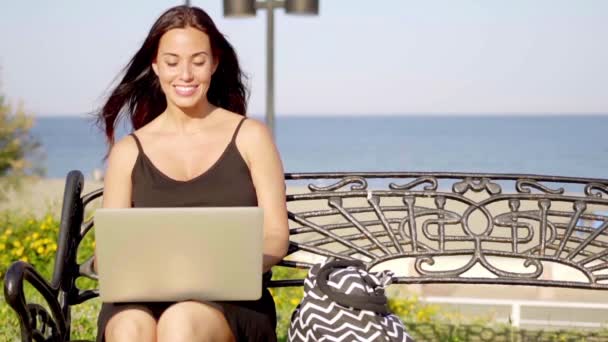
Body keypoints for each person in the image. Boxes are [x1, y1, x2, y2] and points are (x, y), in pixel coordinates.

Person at [94, 5, 289, 342]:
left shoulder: (251, 137)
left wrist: (228, 270)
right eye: (172, 62)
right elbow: (109, 250)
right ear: (155, 66)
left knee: (180, 322)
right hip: (142, 299)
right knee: (128, 328)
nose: (184, 74)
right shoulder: (128, 152)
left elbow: (276, 235)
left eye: (197, 61)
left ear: (214, 63)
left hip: (232, 302)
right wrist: (111, 264)